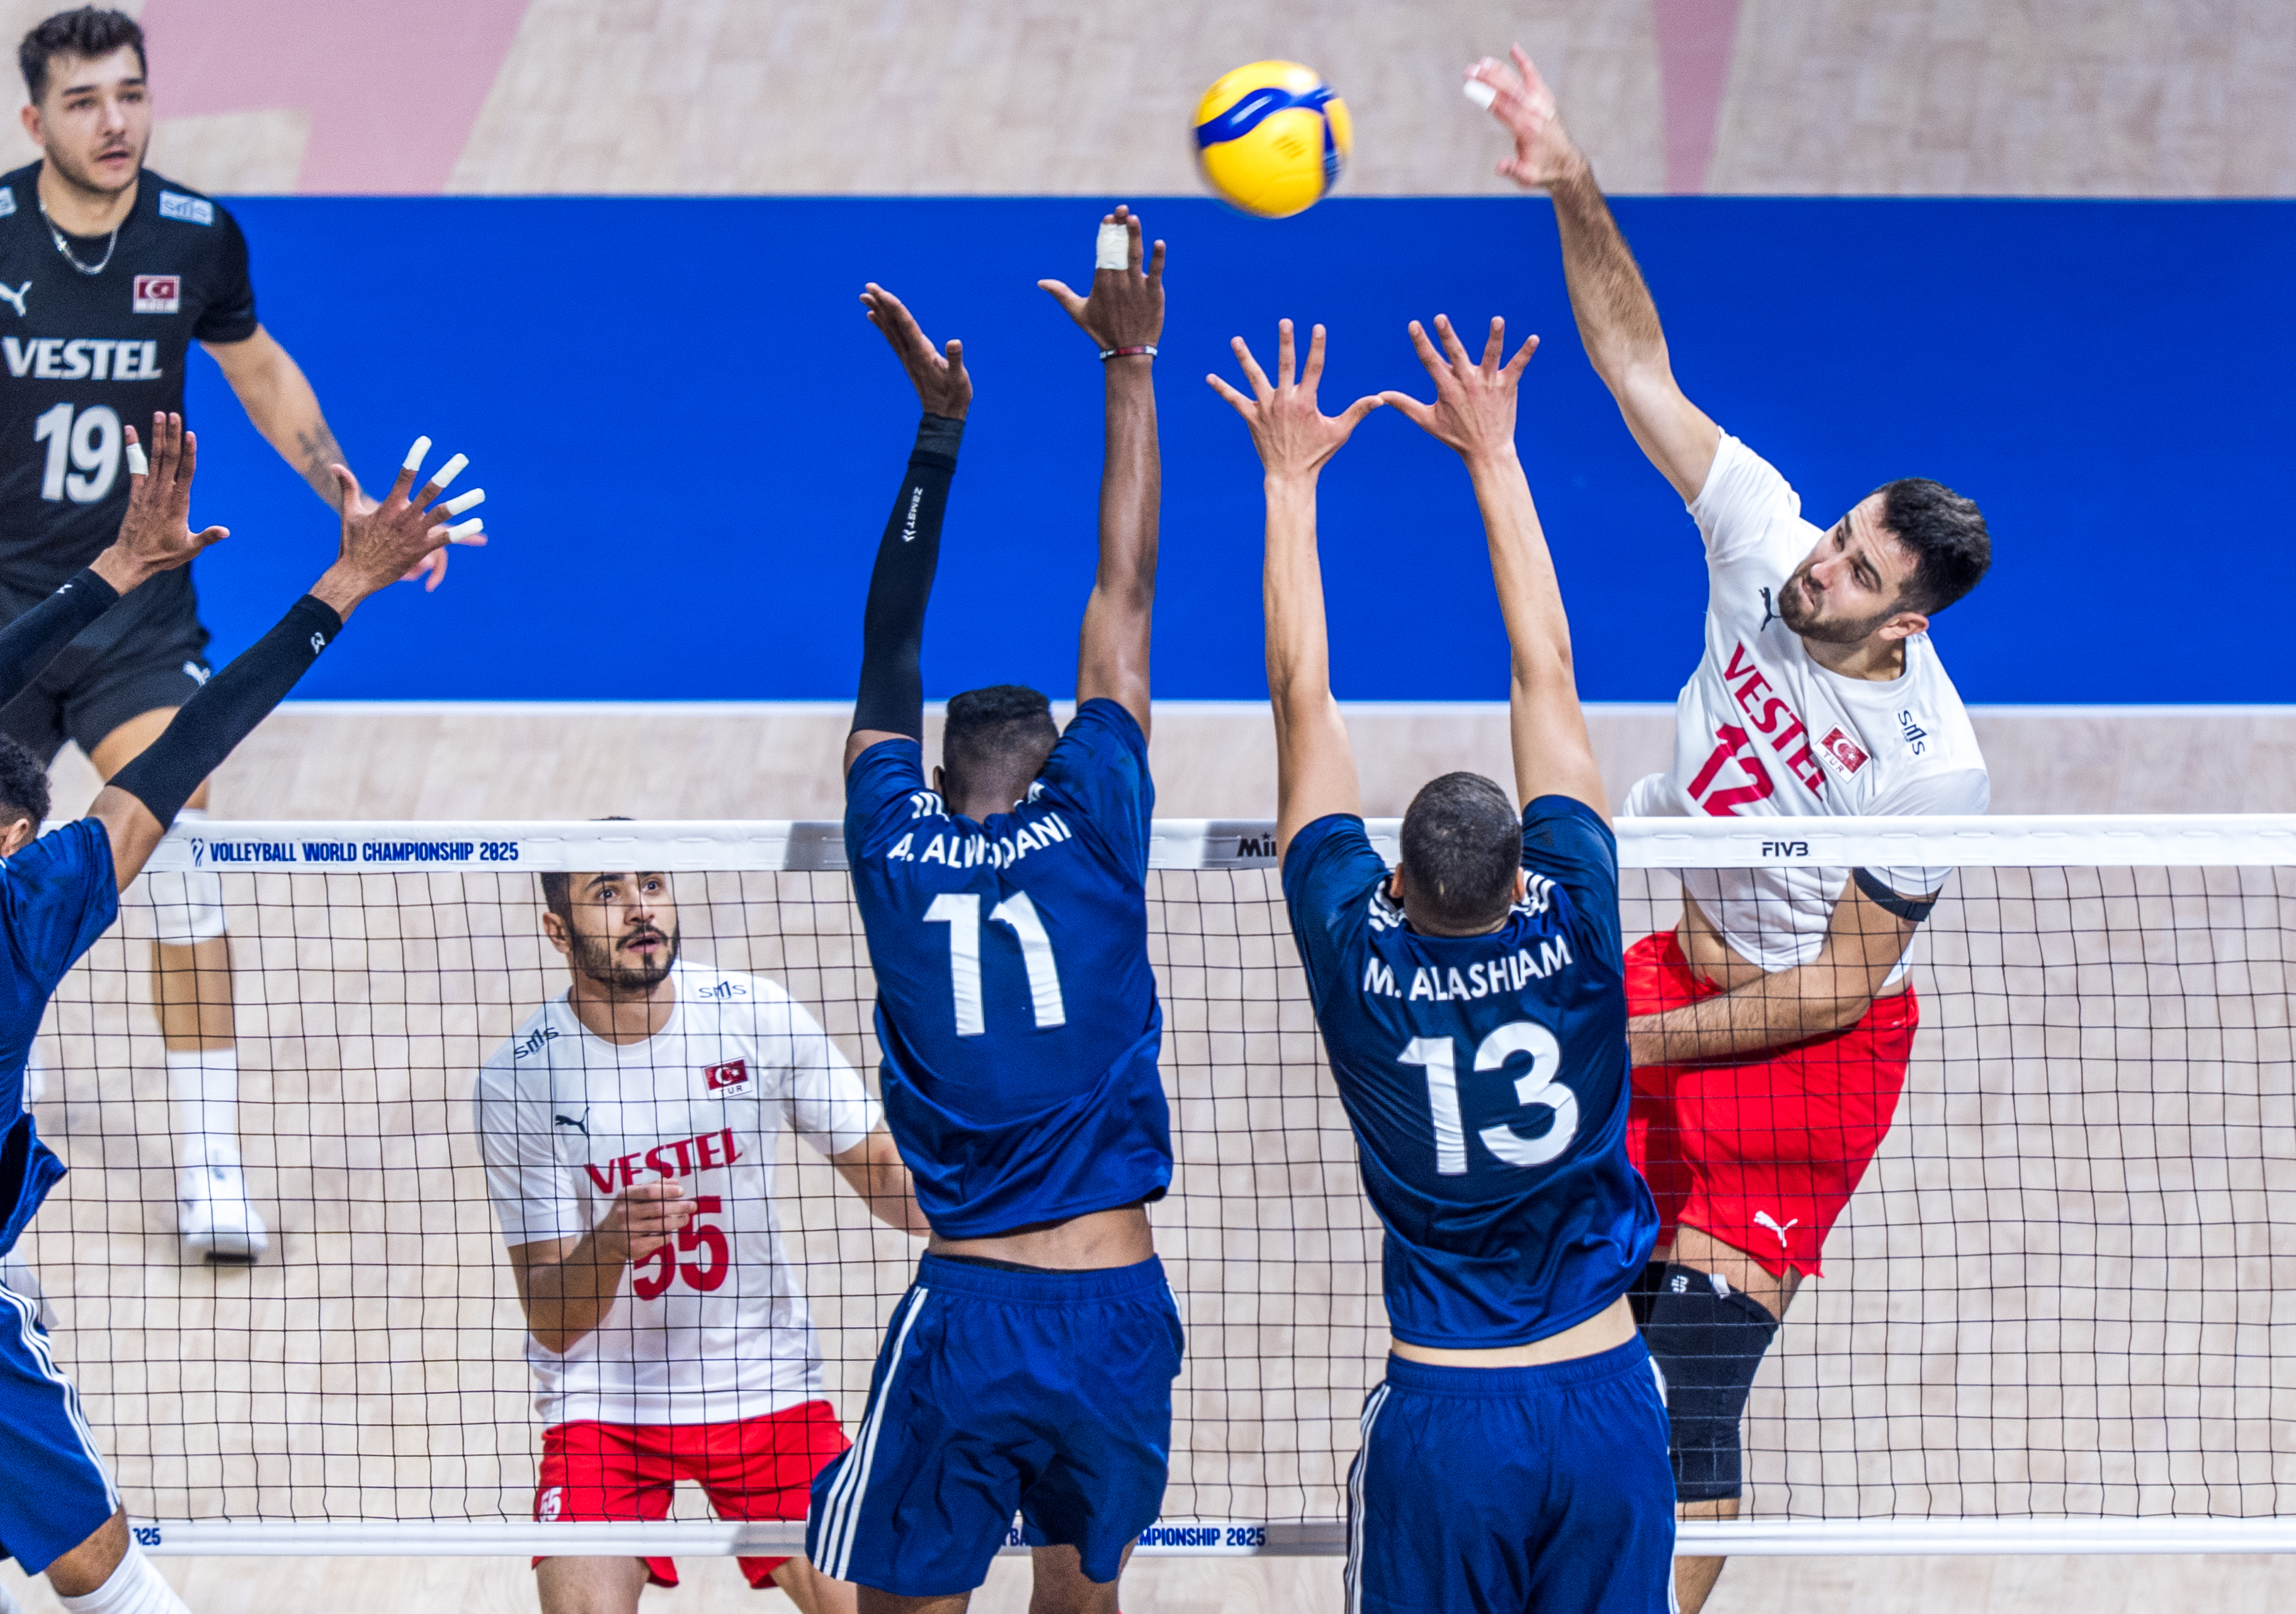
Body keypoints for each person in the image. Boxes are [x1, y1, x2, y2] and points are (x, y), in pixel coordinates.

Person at [1467, 45, 1996, 1610]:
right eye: (1839, 538)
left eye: (1857, 576)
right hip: (1667, 963)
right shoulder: (1765, 538)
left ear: (1904, 624)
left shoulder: (1929, 765)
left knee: (1685, 1388)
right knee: (1575, 1329)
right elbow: (1635, 365)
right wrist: (1571, 179)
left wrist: (1634, 1043)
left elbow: (1837, 981)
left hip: (1807, 1058)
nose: (1819, 568)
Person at [0, 6, 475, 1260]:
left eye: (132, 94)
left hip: (140, 611)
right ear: (33, 120)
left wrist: (340, 488)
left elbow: (254, 365)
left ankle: (211, 1156)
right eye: (85, 101)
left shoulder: (196, 236)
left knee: (179, 837)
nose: (116, 122)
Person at [0, 412, 467, 1614]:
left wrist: (105, 571)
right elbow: (187, 744)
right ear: (16, 838)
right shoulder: (26, 907)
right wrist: (345, 583)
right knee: (101, 1569)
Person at [1214, 308, 1671, 1612]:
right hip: (1604, 1401)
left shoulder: (1354, 953)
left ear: (1395, 882)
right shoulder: (1577, 921)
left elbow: (1300, 697)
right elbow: (1548, 672)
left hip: (1446, 1417)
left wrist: (1288, 481)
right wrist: (1494, 455)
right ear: (1525, 875)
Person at [805, 207, 1176, 1614]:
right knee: (1082, 1603)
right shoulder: (1094, 821)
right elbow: (1123, 594)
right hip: (1115, 1306)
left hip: (969, 1314)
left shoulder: (893, 846)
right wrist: (1128, 365)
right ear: (1055, 762)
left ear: (935, 774)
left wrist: (937, 432)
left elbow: (885, 650)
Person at [474, 860, 928, 1614]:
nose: (639, 909)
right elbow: (552, 1320)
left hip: (763, 1386)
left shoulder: (756, 1016)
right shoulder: (518, 1080)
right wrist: (610, 1244)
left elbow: (886, 1176)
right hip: (605, 1404)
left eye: (652, 885)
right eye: (608, 894)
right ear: (557, 930)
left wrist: (1013, 1198)